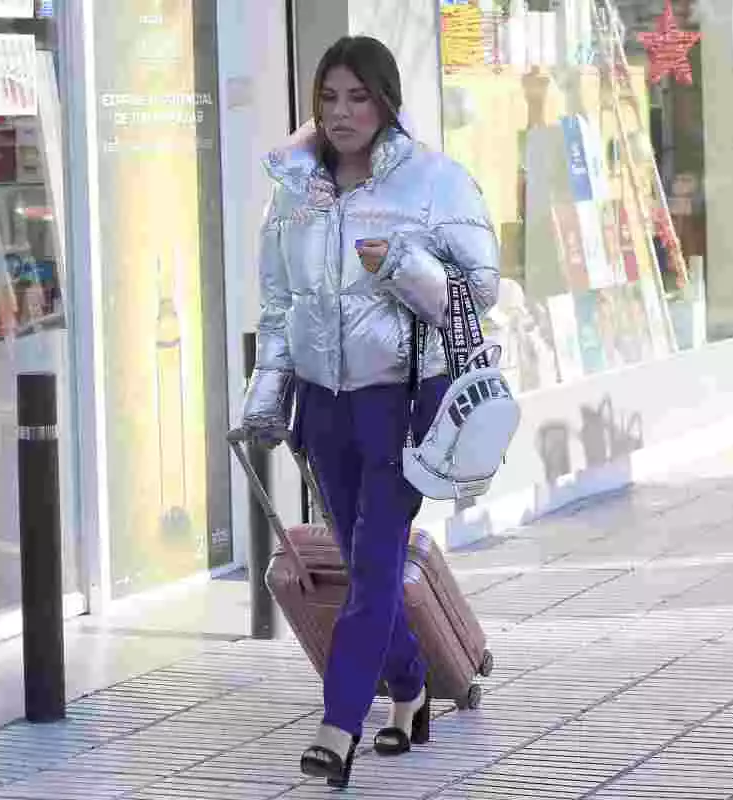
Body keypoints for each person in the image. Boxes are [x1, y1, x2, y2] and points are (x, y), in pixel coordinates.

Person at [238, 35, 499, 787]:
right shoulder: (293, 193)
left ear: (387, 102)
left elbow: (479, 292)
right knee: (362, 565)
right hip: (323, 406)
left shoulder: (434, 183)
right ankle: (411, 689)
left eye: (358, 97)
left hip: (401, 403)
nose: (342, 112)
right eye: (329, 97)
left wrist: (404, 267)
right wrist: (267, 396)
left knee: (379, 559)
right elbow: (279, 306)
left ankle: (339, 722)